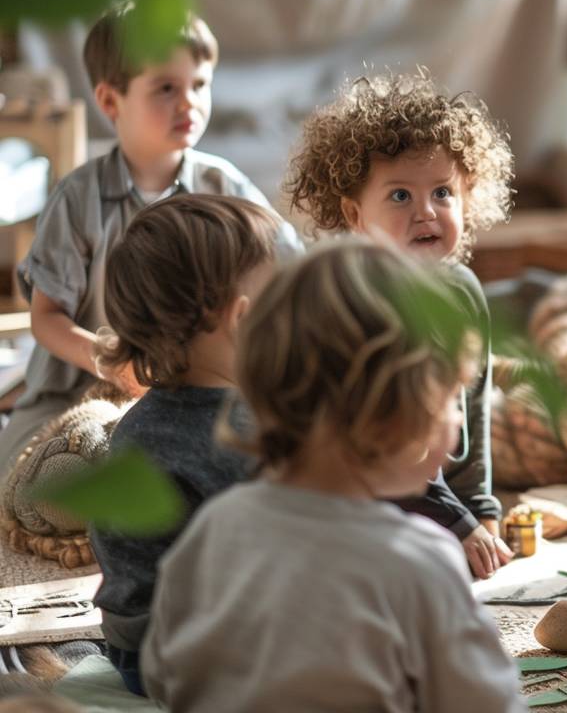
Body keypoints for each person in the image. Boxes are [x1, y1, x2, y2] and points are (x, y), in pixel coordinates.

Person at [141, 240, 526, 713]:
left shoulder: (215, 525)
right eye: (452, 398)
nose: (456, 416)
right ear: (399, 415)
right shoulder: (420, 561)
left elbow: (164, 672)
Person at [2, 1, 299, 472]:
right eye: (166, 88)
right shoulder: (77, 198)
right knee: (34, 474)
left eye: (199, 85)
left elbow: (290, 269)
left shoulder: (225, 187)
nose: (189, 103)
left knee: (255, 453)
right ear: (109, 101)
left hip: (197, 386)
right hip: (76, 389)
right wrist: (111, 363)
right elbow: (47, 319)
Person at [284, 73, 513, 577]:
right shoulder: (358, 301)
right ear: (353, 213)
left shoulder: (465, 291)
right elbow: (379, 444)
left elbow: (474, 410)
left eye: (442, 193)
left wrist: (482, 509)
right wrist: (455, 520)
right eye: (400, 197)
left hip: (436, 493)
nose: (426, 211)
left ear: (467, 196)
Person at [90, 194, 284, 695]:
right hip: (185, 655)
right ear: (242, 318)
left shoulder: (141, 423)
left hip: (130, 644)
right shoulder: (231, 433)